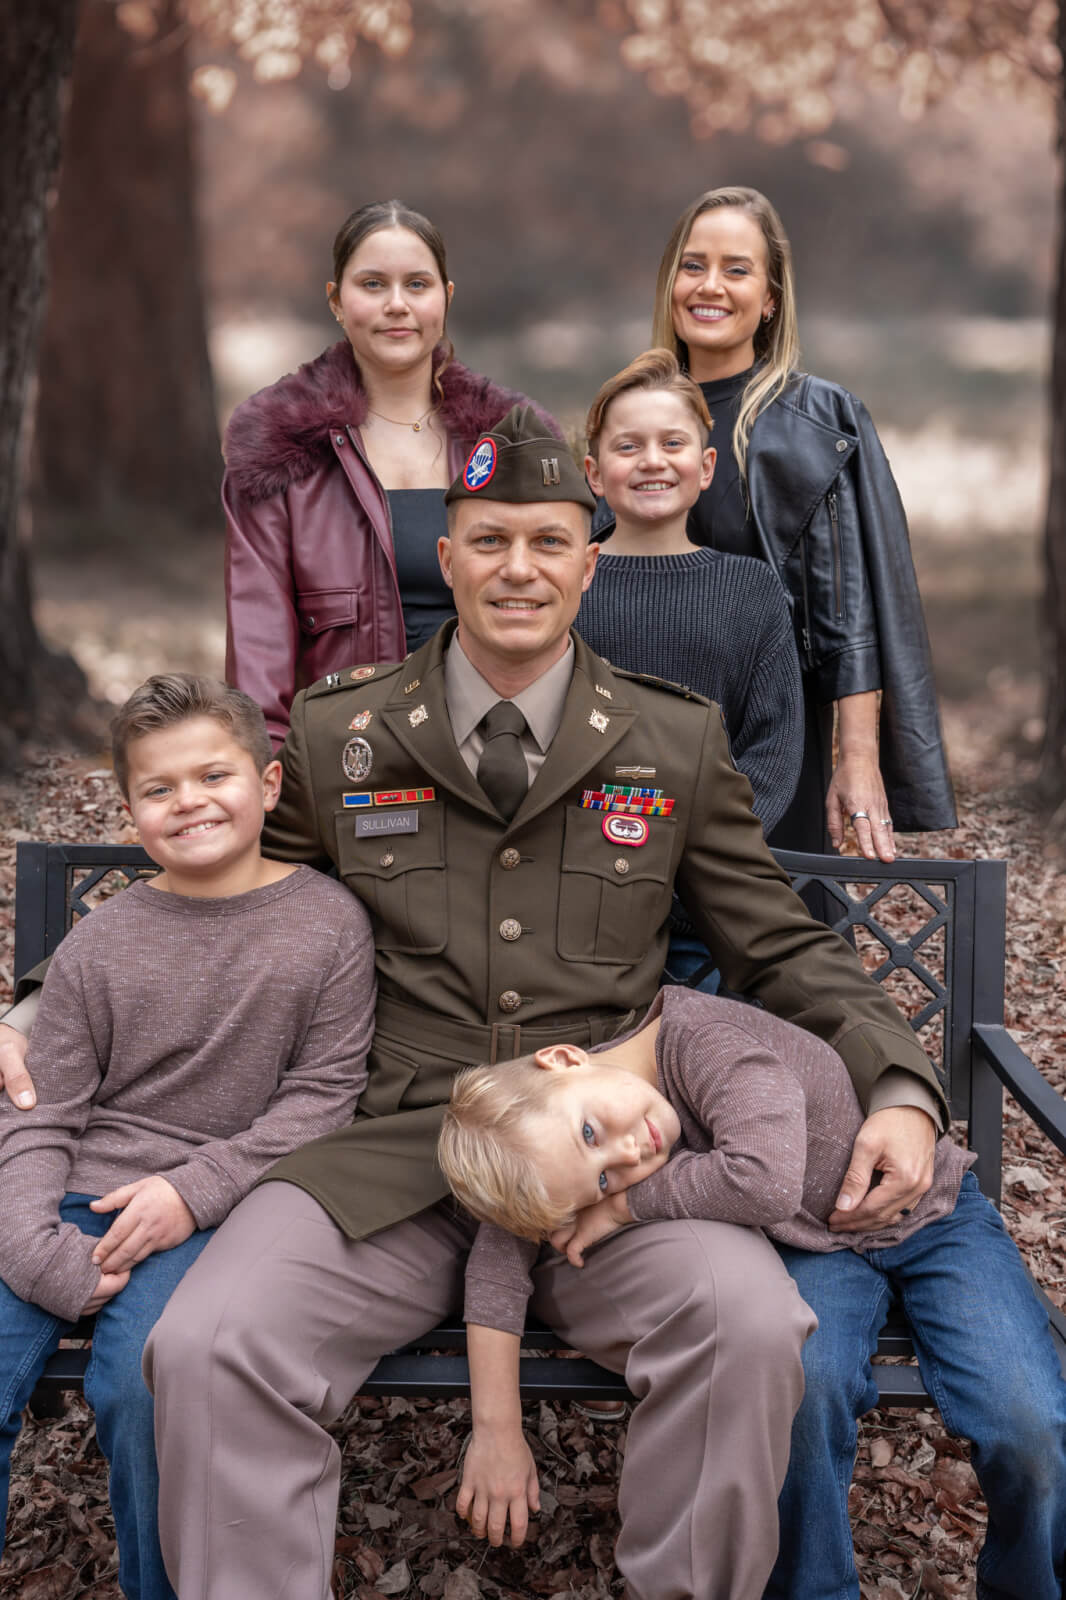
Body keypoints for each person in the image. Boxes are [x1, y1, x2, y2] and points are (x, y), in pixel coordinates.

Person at [9, 409, 946, 1600]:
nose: (518, 569)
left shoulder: (670, 738)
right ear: (444, 559)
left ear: (586, 564)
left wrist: (900, 1084)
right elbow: (213, 884)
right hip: (388, 1152)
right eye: (489, 540)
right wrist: (39, 1003)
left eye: (549, 542)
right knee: (205, 1344)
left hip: (609, 1169)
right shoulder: (345, 734)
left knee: (750, 1328)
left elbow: (777, 944)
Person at [439, 988, 1066, 1600]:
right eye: (602, 1175)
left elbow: (763, 1181)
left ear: (565, 1059)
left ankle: (1031, 1583)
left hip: (934, 1214)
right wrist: (497, 1425)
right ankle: (813, 1588)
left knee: (1026, 1412)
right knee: (802, 1390)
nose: (631, 1152)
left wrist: (622, 1203)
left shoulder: (704, 1041)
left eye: (589, 1131)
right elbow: (498, 1258)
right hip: (810, 1249)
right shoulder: (568, 1125)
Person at [0, 674, 375, 1600]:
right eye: (159, 789)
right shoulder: (103, 940)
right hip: (69, 1199)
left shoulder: (328, 926)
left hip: (217, 1210)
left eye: (214, 775)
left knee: (146, 1389)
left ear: (270, 783)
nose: (190, 802)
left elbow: (323, 1100)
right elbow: (44, 1108)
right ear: (129, 809)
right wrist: (29, 1243)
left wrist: (194, 1193)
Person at [644, 185, 957, 867]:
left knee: (773, 948)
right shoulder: (638, 413)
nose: (710, 286)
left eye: (737, 269)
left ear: (771, 297)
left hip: (776, 739)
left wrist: (858, 759)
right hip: (643, 735)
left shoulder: (815, 422)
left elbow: (849, 614)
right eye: (693, 265)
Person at [223, 197, 559, 747]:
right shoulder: (278, 442)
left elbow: (560, 605)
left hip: (497, 749)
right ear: (336, 299)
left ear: (445, 299)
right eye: (373, 284)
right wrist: (272, 776)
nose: (397, 305)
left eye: (418, 285)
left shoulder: (511, 438)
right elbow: (258, 643)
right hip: (346, 753)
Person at [576, 348, 803, 990]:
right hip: (573, 900)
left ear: (705, 467)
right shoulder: (562, 587)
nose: (651, 460)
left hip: (709, 911)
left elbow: (774, 748)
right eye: (629, 446)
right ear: (594, 473)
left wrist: (694, 860)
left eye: (671, 442)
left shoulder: (749, 590)